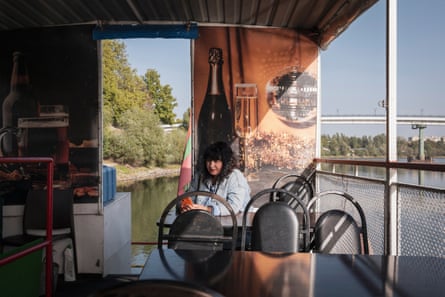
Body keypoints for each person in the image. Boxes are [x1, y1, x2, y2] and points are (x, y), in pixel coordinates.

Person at [180, 141, 251, 216]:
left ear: (226, 162)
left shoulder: (235, 177)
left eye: (216, 161)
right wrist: (185, 205)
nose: (211, 165)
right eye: (209, 160)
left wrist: (208, 210)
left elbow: (234, 206)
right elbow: (188, 196)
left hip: (233, 225)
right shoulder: (200, 175)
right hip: (203, 222)